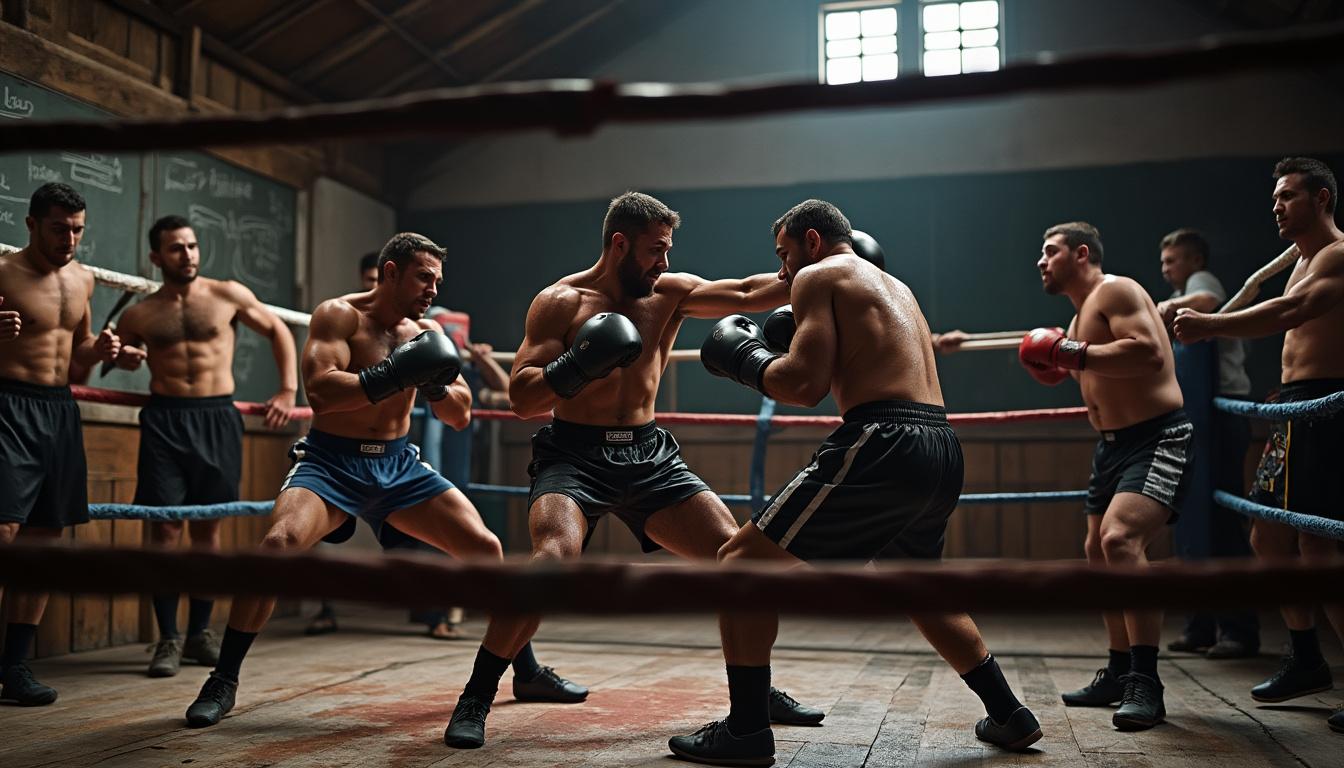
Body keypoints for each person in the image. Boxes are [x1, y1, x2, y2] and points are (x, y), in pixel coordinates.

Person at [667, 200, 1041, 765]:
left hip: (883, 441)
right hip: (940, 444)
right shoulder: (896, 286)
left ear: (812, 241)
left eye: (785, 256)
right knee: (918, 588)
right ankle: (1009, 713)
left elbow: (802, 385)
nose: (783, 273)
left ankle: (746, 730)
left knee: (739, 564)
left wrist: (744, 358)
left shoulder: (819, 276)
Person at [443, 192, 820, 750]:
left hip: (649, 458)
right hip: (573, 456)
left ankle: (753, 695)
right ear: (619, 244)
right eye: (654, 251)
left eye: (667, 251)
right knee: (551, 562)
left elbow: (749, 291)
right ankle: (476, 696)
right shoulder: (560, 302)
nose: (663, 263)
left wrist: (825, 264)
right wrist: (575, 367)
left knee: (738, 561)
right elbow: (522, 397)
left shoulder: (667, 295)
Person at [181, 232, 565, 727]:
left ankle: (526, 669)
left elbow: (460, 415)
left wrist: (432, 383)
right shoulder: (338, 316)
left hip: (398, 465)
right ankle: (223, 678)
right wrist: (395, 372)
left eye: (438, 281)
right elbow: (321, 393)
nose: (433, 289)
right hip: (330, 463)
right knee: (277, 545)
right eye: (424, 277)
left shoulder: (426, 332)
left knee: (485, 550)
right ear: (390, 272)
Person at [1173, 157, 1344, 733]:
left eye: (1289, 196)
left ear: (1321, 199)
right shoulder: (1300, 259)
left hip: (1327, 407)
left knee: (1320, 549)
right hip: (1294, 405)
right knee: (1266, 535)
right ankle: (1306, 658)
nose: (1276, 205)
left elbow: (1295, 312)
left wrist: (1213, 325)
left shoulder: (1338, 254)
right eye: (1274, 197)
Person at [112, 215, 298, 678]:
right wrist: (122, 355)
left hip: (217, 417)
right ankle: (167, 638)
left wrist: (288, 390)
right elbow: (112, 354)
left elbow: (277, 330)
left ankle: (198, 634)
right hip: (164, 420)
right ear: (156, 257)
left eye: (193, 246)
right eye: (176, 248)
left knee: (207, 533)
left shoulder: (227, 294)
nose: (188, 255)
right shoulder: (139, 313)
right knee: (163, 530)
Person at [1023, 221, 1191, 731]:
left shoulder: (1115, 289)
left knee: (1121, 541)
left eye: (1049, 252)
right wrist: (1058, 360)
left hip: (1156, 435)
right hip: (1112, 446)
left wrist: (1070, 354)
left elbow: (1148, 353)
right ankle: (1119, 670)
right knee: (1098, 553)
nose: (1041, 261)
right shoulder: (1077, 318)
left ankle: (1146, 681)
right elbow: (1095, 369)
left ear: (1081, 254)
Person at [0, 182, 120, 704]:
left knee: (43, 541)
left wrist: (105, 351)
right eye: (58, 229)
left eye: (77, 230)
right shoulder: (3, 272)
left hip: (59, 409)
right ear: (30, 225)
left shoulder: (84, 280)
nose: (69, 239)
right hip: (7, 403)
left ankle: (14, 667)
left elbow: (77, 359)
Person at [1154, 228, 1259, 659]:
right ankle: (1201, 624)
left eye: (1173, 260)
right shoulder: (1186, 291)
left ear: (1195, 259)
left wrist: (1166, 307)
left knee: (1220, 518)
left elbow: (1207, 304)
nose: (1166, 269)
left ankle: (1238, 628)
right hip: (1196, 413)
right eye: (1163, 262)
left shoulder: (1203, 283)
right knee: (1192, 517)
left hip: (1223, 410)